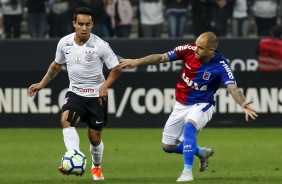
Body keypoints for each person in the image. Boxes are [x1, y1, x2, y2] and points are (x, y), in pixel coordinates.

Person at [119, 31, 258, 182]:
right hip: (181, 104)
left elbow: (232, 87)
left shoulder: (221, 65)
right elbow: (161, 57)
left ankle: (187, 172)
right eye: (196, 45)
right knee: (167, 146)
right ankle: (201, 152)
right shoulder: (189, 49)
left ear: (211, 50)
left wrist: (242, 103)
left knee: (189, 126)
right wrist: (137, 62)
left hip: (203, 104)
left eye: (200, 47)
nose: (195, 49)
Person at [28, 7, 122, 181]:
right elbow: (56, 65)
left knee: (94, 139)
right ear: (74, 24)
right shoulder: (64, 43)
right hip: (76, 94)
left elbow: (116, 68)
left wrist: (105, 86)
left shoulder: (100, 45)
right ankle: (74, 156)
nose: (84, 28)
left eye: (87, 24)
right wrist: (41, 83)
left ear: (92, 24)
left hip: (97, 97)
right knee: (66, 120)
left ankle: (96, 166)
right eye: (80, 24)